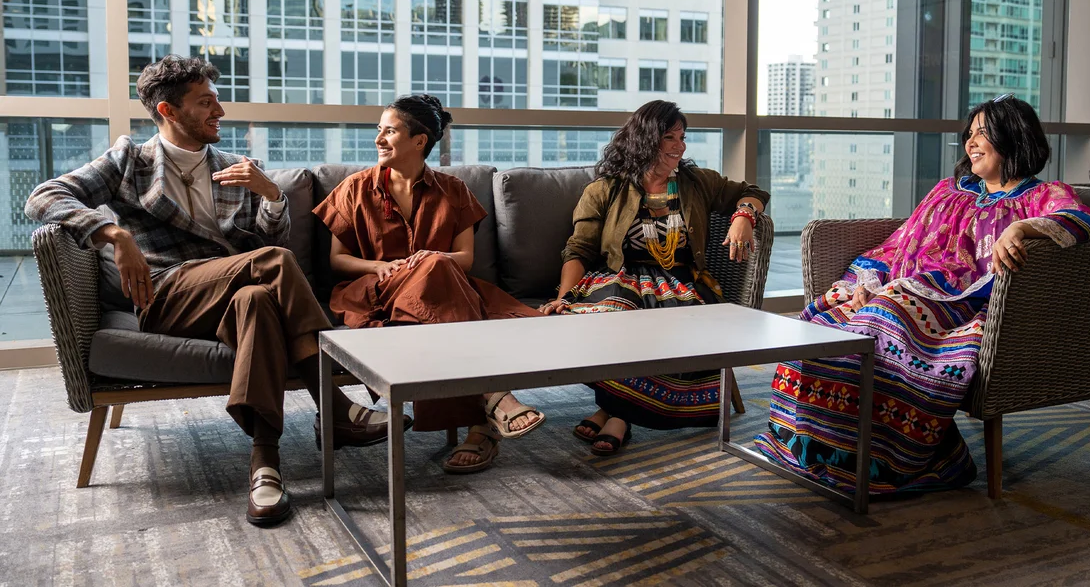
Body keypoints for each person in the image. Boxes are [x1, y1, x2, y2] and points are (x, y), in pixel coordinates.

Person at [24, 55, 389, 527]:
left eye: (217, 99)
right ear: (168, 111)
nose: (219, 110)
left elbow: (267, 247)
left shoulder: (237, 168)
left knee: (257, 299)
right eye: (206, 102)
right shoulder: (129, 161)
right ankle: (335, 407)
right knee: (275, 267)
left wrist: (272, 196)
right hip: (164, 295)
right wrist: (113, 233)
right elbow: (43, 197)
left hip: (230, 294)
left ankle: (265, 465)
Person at [754, 95, 1090, 495]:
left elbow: (1081, 221)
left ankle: (885, 459)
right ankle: (812, 447)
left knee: (880, 321)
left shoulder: (1042, 195)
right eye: (969, 134)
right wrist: (864, 285)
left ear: (1014, 137)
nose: (971, 142)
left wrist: (1022, 229)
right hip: (907, 291)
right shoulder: (946, 190)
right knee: (825, 325)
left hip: (967, 305)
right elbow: (899, 244)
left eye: (982, 133)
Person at [312, 94, 546, 474]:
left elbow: (464, 258)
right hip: (377, 290)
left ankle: (480, 415)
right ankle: (487, 407)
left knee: (436, 266)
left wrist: (428, 260)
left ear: (419, 141)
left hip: (439, 288)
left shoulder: (453, 190)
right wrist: (381, 266)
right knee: (437, 268)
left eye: (389, 131)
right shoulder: (354, 187)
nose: (379, 139)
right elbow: (338, 260)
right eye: (379, 130)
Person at [540, 100, 770, 456]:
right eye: (670, 137)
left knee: (682, 321)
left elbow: (753, 192)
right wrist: (565, 296)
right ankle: (619, 411)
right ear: (646, 140)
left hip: (679, 281)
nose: (680, 145)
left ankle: (614, 414)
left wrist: (743, 216)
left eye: (682, 136)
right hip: (620, 278)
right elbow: (579, 250)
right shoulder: (605, 190)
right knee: (611, 316)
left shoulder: (696, 183)